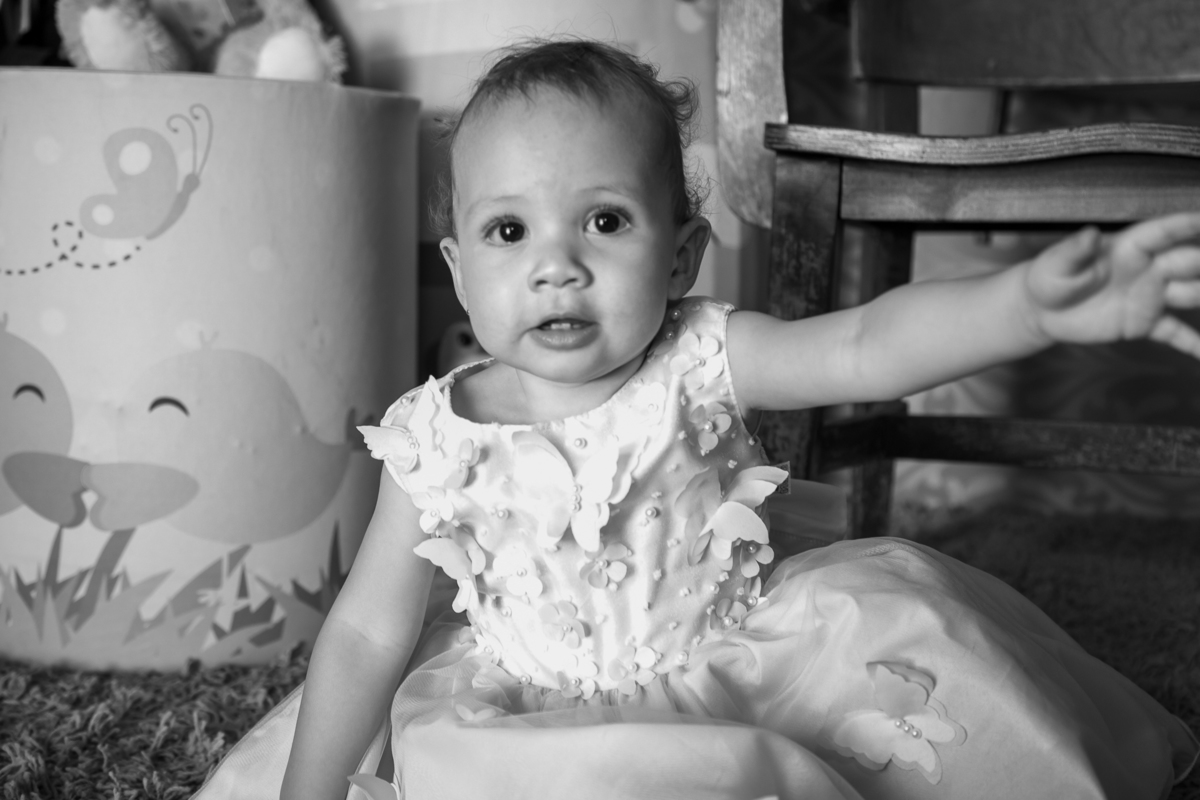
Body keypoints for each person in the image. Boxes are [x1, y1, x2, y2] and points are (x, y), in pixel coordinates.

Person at [193, 38, 1200, 800]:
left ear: (680, 257)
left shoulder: (701, 357)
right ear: (459, 271)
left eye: (604, 220)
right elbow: (370, 630)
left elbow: (864, 345)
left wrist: (1024, 307)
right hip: (515, 713)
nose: (557, 264)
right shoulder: (431, 437)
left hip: (732, 658)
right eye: (509, 228)